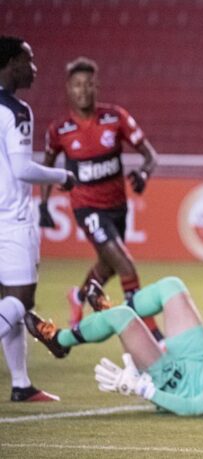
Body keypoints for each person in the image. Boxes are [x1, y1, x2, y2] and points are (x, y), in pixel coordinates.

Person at [25, 276, 203, 416]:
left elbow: (191, 408)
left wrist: (143, 388)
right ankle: (111, 312)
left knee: (120, 319)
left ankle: (59, 341)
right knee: (172, 286)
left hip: (175, 381)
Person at [39, 56, 162, 341]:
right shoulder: (60, 130)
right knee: (125, 266)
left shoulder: (115, 118)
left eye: (88, 84)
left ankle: (78, 295)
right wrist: (44, 204)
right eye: (77, 85)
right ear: (68, 89)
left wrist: (143, 174)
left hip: (117, 206)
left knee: (106, 266)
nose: (83, 90)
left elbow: (150, 156)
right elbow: (47, 166)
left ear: (97, 87)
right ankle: (153, 336)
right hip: (87, 208)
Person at [0, 35, 75, 402]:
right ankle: (20, 384)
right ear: (10, 63)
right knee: (21, 300)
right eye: (28, 60)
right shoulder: (15, 110)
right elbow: (23, 169)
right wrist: (64, 176)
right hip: (10, 221)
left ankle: (20, 383)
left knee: (8, 302)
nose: (34, 68)